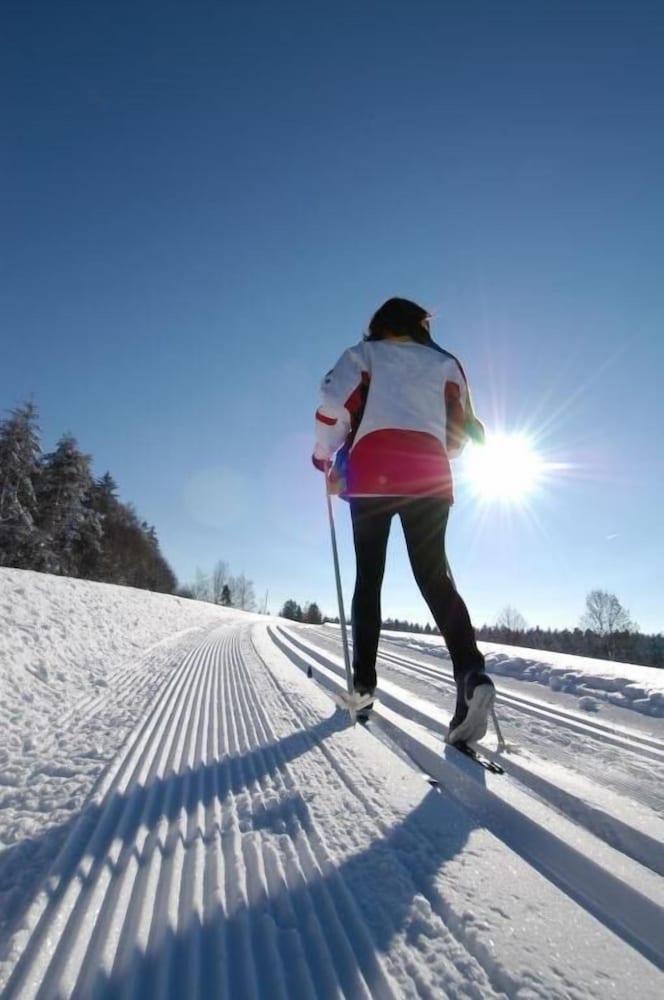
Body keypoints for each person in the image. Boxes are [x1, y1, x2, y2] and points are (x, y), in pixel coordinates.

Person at [312, 296, 495, 744]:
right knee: (435, 576)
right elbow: (459, 432)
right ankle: (471, 674)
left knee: (369, 577)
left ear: (379, 324)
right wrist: (438, 451)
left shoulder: (363, 355)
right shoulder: (446, 363)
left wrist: (325, 457)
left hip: (373, 473)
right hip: (430, 475)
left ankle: (363, 686)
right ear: (420, 326)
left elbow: (333, 404)